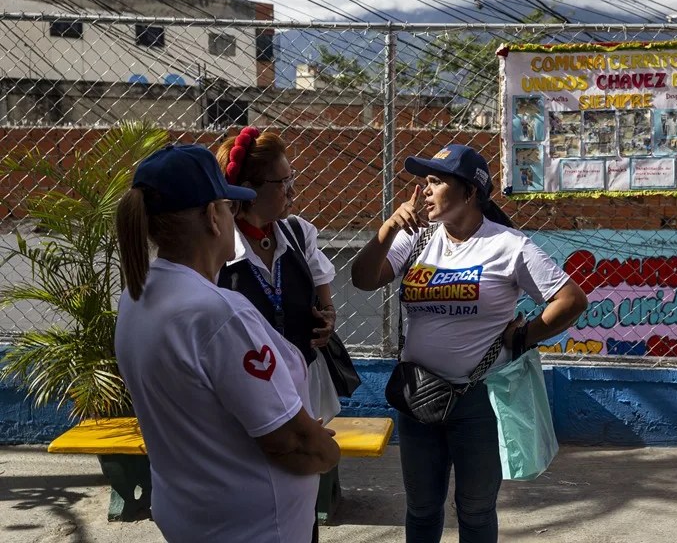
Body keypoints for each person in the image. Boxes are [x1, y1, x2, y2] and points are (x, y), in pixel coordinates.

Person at [350, 144, 587, 543]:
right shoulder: (418, 240)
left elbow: (571, 299)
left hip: (478, 401)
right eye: (424, 182)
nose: (425, 190)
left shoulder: (509, 245)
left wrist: (526, 337)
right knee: (422, 508)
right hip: (417, 395)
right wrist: (388, 228)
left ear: (469, 192)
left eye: (436, 181)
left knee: (475, 509)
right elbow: (363, 278)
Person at [114, 143, 340, 543]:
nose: (233, 218)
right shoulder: (218, 313)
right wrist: (325, 450)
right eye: (226, 207)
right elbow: (291, 442)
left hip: (195, 516)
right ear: (212, 218)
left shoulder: (139, 295)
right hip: (253, 529)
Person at [214, 127, 339, 424]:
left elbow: (323, 294)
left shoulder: (298, 233)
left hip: (306, 384)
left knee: (317, 464)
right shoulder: (219, 248)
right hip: (247, 393)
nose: (293, 191)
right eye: (283, 182)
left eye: (291, 178)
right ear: (249, 190)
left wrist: (329, 316)